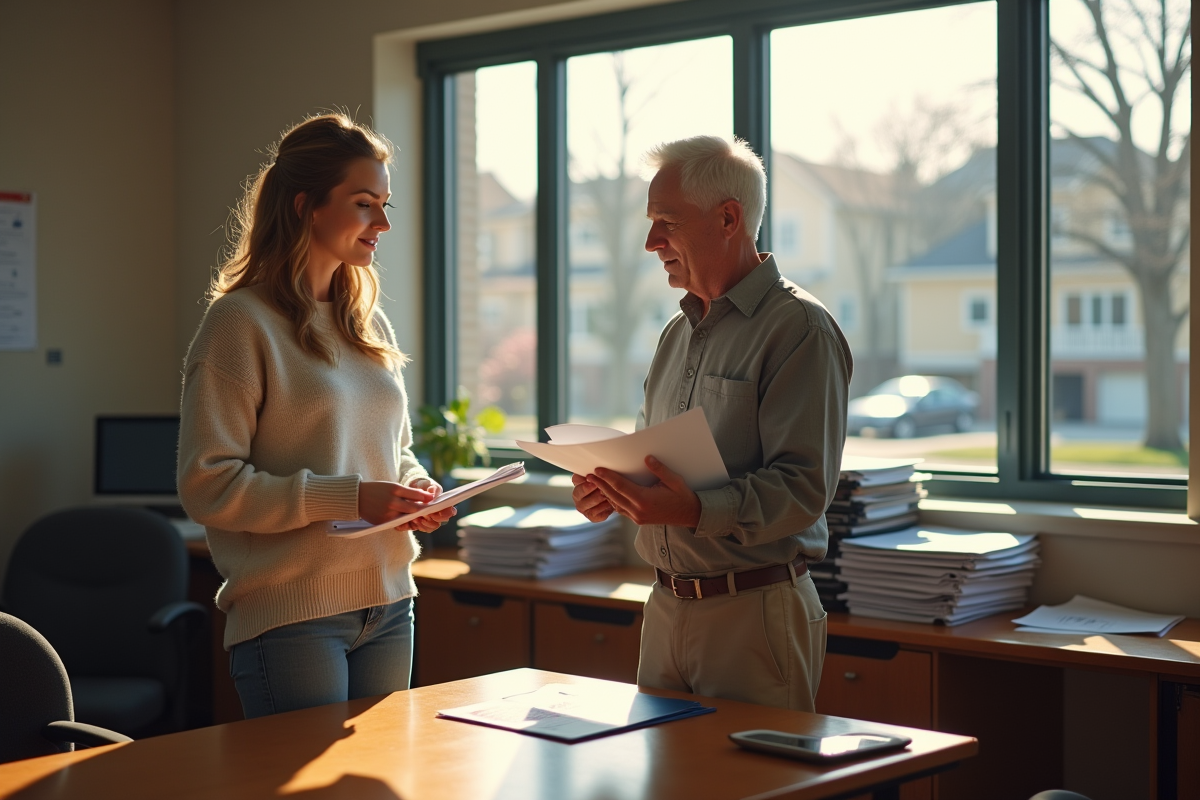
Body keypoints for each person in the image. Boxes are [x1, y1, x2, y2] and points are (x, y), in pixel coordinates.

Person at [177, 113, 454, 719]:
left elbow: (392, 449)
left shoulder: (366, 323)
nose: (383, 222)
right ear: (306, 205)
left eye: (384, 203)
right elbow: (208, 486)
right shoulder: (239, 325)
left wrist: (414, 488)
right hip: (292, 615)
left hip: (389, 604)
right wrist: (351, 498)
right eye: (364, 204)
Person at [571, 135, 852, 711]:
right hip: (665, 606)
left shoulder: (800, 329)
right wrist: (615, 489)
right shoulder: (676, 334)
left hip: (753, 614)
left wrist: (691, 510)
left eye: (666, 223)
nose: (651, 243)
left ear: (729, 218)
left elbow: (803, 490)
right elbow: (661, 463)